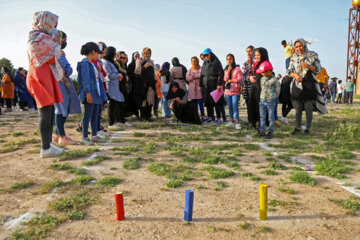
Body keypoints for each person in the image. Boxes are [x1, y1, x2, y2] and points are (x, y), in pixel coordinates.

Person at [27, 11, 64, 157]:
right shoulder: (37, 37)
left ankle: (48, 144)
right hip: (39, 77)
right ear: (45, 22)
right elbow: (52, 56)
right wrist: (56, 45)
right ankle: (45, 148)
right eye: (53, 24)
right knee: (44, 111)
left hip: (45, 76)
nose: (54, 27)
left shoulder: (43, 37)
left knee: (49, 112)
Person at [288, 38, 327, 136]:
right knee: (298, 108)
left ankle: (308, 129)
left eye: (300, 46)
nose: (298, 48)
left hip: (309, 85)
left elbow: (318, 69)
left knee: (308, 108)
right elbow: (289, 72)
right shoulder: (293, 58)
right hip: (297, 85)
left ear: (304, 45)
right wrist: (296, 75)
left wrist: (309, 66)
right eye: (296, 47)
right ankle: (298, 128)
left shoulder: (312, 55)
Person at [53, 31, 81, 145]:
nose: (65, 42)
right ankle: (62, 136)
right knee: (60, 108)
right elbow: (63, 68)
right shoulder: (54, 52)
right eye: (63, 40)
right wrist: (65, 71)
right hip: (59, 83)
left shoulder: (61, 52)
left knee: (66, 108)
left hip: (65, 83)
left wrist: (66, 71)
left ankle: (56, 134)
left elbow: (68, 69)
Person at [77, 42, 108, 145]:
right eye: (97, 53)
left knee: (95, 115)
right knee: (88, 115)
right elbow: (85, 80)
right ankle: (84, 137)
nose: (98, 56)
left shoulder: (92, 64)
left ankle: (94, 135)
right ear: (93, 52)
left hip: (96, 94)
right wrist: (88, 93)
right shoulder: (85, 63)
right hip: (90, 94)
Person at [103, 46, 127, 129]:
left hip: (116, 87)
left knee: (117, 104)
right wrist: (118, 75)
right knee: (112, 105)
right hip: (111, 87)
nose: (115, 54)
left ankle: (118, 122)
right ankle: (111, 123)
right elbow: (108, 75)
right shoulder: (105, 62)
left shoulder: (111, 62)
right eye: (114, 53)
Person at [200, 48, 225, 125]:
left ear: (210, 54)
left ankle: (218, 118)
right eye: (204, 56)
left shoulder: (217, 62)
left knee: (216, 102)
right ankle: (209, 117)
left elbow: (220, 74)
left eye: (206, 55)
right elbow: (201, 75)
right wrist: (200, 85)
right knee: (208, 102)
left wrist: (219, 84)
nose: (205, 57)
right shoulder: (204, 63)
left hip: (214, 84)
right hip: (206, 85)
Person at [258, 61, 280, 139]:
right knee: (262, 116)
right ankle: (262, 130)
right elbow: (262, 88)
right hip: (262, 101)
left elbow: (277, 91)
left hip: (271, 102)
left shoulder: (275, 80)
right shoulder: (262, 79)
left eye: (263, 72)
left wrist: (272, 97)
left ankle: (271, 131)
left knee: (271, 117)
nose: (262, 74)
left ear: (269, 71)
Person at [248, 47, 269, 129]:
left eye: (258, 55)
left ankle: (262, 124)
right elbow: (252, 74)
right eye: (255, 55)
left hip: (262, 88)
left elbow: (267, 76)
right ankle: (252, 122)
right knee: (251, 104)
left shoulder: (266, 63)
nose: (256, 57)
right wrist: (250, 78)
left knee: (260, 106)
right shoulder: (255, 64)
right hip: (254, 87)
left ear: (263, 55)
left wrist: (257, 78)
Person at [135, 47, 156, 121]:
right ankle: (143, 116)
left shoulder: (151, 62)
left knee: (150, 99)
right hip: (142, 83)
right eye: (146, 53)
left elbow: (153, 73)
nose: (147, 55)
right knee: (143, 100)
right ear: (143, 53)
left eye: (149, 53)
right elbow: (137, 71)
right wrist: (144, 67)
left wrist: (154, 82)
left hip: (150, 83)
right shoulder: (139, 60)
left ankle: (148, 116)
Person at [224, 54, 242, 130]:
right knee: (230, 106)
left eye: (230, 59)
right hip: (228, 91)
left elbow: (239, 78)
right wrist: (228, 71)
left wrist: (231, 80)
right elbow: (225, 79)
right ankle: (231, 121)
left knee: (235, 106)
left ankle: (237, 122)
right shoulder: (226, 69)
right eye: (227, 59)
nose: (229, 61)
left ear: (233, 59)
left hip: (235, 91)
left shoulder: (237, 69)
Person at [241, 45, 255, 124]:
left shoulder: (256, 62)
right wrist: (241, 85)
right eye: (247, 51)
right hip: (246, 86)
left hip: (253, 86)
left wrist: (250, 65)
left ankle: (254, 121)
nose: (248, 53)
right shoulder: (245, 63)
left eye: (250, 51)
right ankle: (250, 121)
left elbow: (254, 73)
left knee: (253, 104)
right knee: (248, 103)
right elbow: (243, 75)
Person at [127, 51, 141, 118]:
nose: (137, 58)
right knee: (133, 100)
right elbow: (129, 75)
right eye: (136, 56)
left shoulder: (141, 64)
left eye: (138, 56)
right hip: (133, 86)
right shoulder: (131, 65)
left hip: (139, 86)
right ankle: (135, 114)